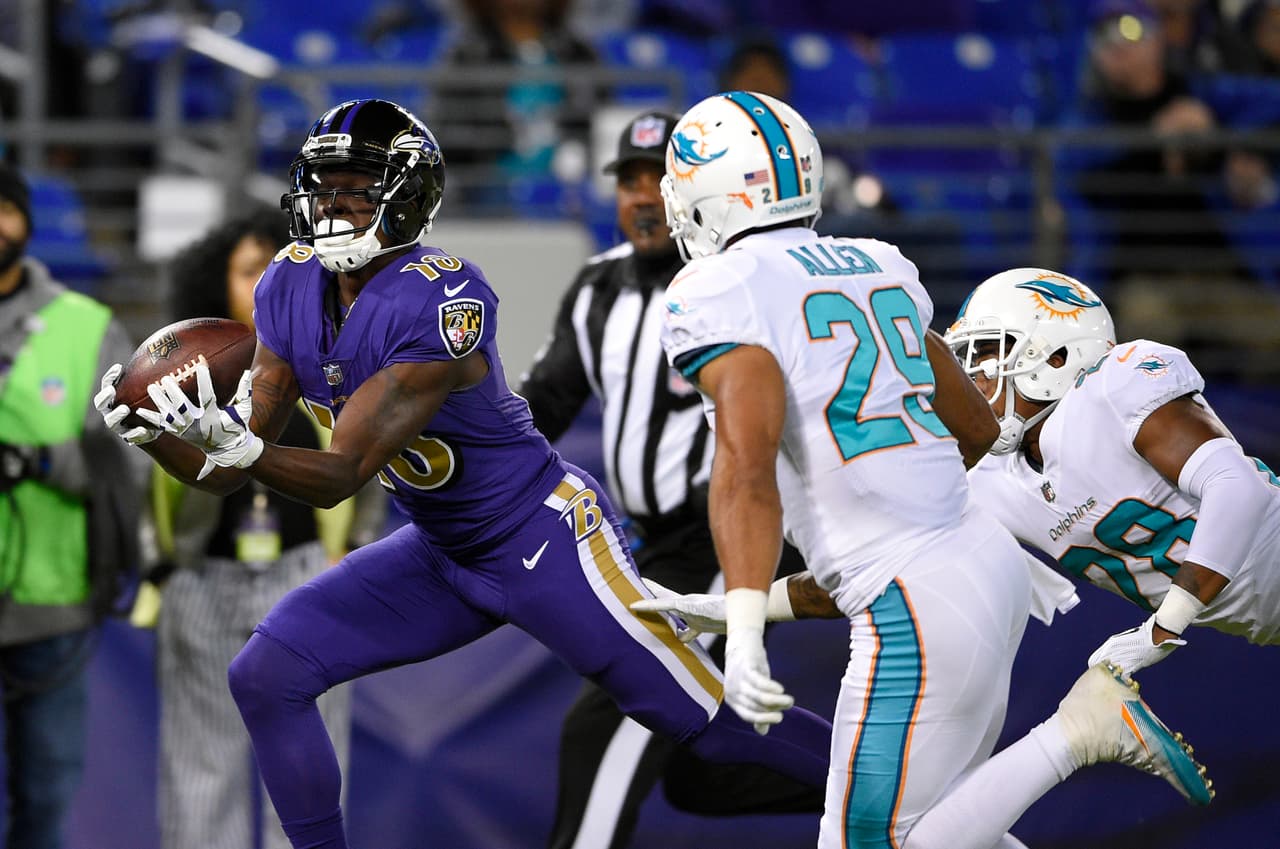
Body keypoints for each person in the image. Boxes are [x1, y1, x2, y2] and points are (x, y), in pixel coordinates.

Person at [91, 98, 834, 849]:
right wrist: (159, 437)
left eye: (356, 188)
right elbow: (230, 469)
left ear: (407, 198)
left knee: (706, 721)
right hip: (442, 547)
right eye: (324, 185)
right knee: (266, 674)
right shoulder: (286, 283)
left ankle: (889, 784)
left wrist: (242, 450)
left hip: (541, 535)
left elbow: (340, 472)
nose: (332, 204)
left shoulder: (442, 299)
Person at [644, 91, 1212, 848]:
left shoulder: (717, 289)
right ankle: (1074, 732)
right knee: (943, 829)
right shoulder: (877, 262)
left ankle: (1077, 732)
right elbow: (977, 427)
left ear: (710, 196)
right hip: (980, 564)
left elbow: (745, 465)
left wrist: (744, 623)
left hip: (917, 603)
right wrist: (760, 600)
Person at [519, 109, 822, 849]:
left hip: (725, 540)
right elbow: (544, 404)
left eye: (659, 180)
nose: (643, 197)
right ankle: (894, 781)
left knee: (607, 722)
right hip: (646, 549)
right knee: (703, 770)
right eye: (628, 180)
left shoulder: (739, 282)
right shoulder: (597, 287)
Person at [137, 208, 383, 849]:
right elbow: (147, 484)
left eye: (277, 269)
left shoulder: (334, 355)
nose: (265, 284)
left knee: (307, 766)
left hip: (307, 575)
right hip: (204, 577)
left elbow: (371, 464)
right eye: (249, 271)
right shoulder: (180, 370)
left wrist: (352, 552)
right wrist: (162, 566)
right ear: (215, 283)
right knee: (201, 769)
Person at [944, 268, 1280, 669]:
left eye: (985, 355)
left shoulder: (1114, 387)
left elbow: (1238, 487)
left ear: (1055, 356)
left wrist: (1162, 629)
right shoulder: (988, 480)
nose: (973, 380)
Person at [0, 160, 143, 849]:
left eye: (5, 209)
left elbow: (132, 456)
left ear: (26, 221)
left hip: (52, 603)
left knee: (46, 799)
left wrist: (40, 460)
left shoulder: (86, 325)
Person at [1059, 0, 1280, 378]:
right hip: (1142, 280)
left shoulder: (1199, 95)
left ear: (1159, 40)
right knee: (1147, 352)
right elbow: (1081, 171)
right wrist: (1154, 137)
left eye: (1131, 30)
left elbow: (1270, 104)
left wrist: (1223, 140)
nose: (1117, 44)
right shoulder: (1088, 117)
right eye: (1102, 35)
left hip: (1218, 273)